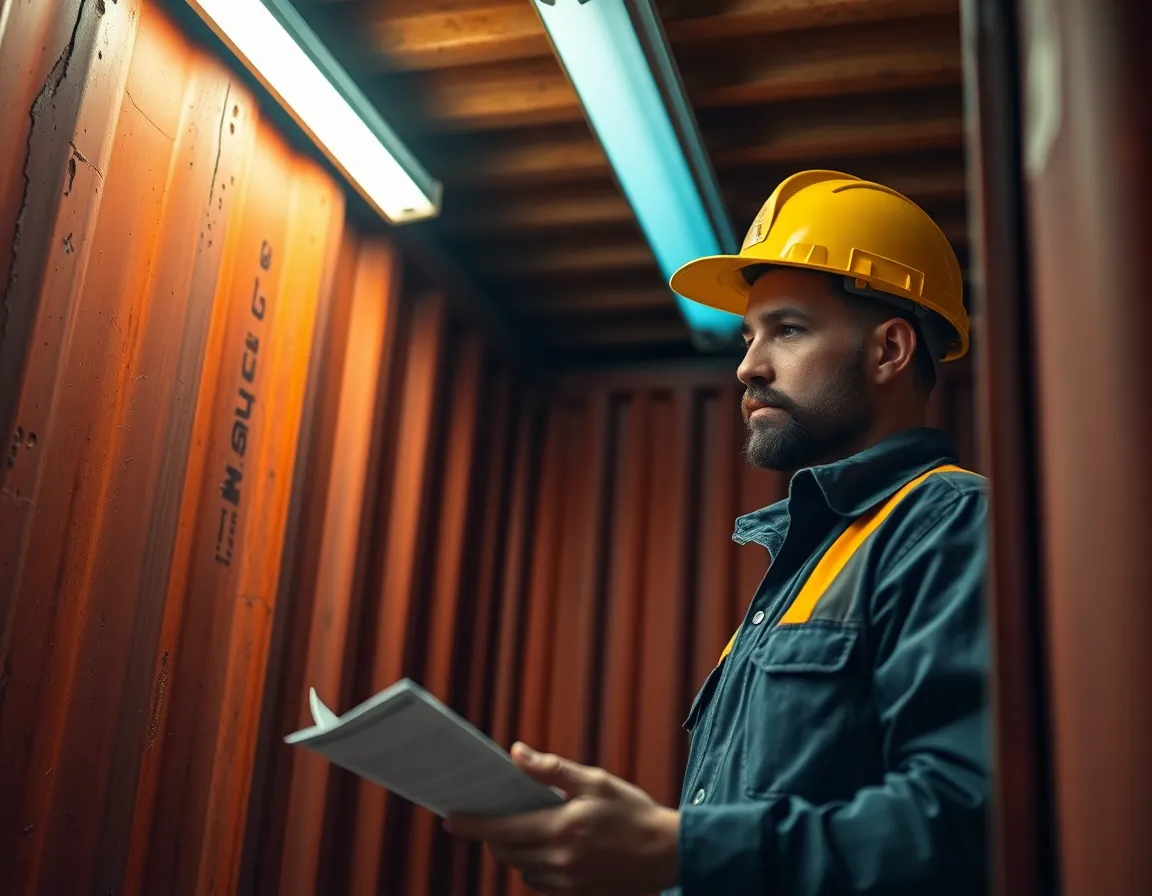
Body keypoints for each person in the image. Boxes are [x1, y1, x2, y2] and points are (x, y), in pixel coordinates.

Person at [444, 170, 990, 895]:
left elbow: (960, 826)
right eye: (747, 334)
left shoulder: (947, 521)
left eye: (787, 330)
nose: (747, 366)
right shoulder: (812, 560)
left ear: (889, 350)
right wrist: (642, 852)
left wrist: (679, 850)